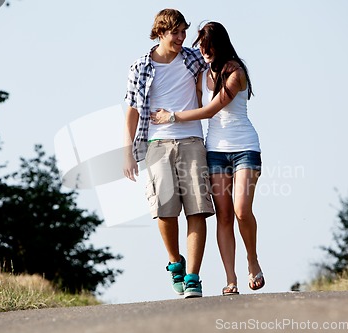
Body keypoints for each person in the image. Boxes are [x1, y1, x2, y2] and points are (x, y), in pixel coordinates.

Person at [151, 21, 265, 296]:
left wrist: (173, 116)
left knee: (241, 210)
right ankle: (231, 280)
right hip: (214, 150)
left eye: (209, 47)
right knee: (223, 216)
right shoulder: (202, 71)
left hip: (244, 148)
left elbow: (211, 109)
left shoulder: (236, 73)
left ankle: (253, 260)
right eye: (201, 47)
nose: (204, 52)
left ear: (220, 46)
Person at [123, 9, 215, 298]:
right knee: (164, 210)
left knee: (198, 207)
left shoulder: (193, 58)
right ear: (160, 32)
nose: (181, 37)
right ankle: (175, 262)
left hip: (191, 140)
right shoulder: (140, 66)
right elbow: (132, 110)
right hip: (156, 145)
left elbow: (218, 60)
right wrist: (127, 151)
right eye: (175, 32)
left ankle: (193, 277)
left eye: (183, 32)